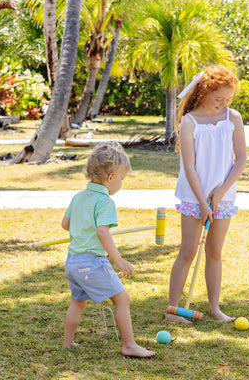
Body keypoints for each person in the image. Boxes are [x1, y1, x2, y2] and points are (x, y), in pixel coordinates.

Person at [166, 65, 247, 324]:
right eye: (218, 98)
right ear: (204, 92)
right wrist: (202, 202)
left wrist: (221, 192)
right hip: (193, 197)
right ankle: (172, 310)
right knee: (188, 250)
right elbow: (189, 166)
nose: (223, 104)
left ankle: (214, 308)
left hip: (223, 197)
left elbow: (241, 159)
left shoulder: (232, 118)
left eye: (228, 99)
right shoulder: (189, 122)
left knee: (214, 251)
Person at [61, 142, 155, 358]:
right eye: (122, 179)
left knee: (77, 302)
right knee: (122, 299)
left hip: (73, 263)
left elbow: (65, 225)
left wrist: (82, 228)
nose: (121, 183)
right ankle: (129, 345)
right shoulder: (104, 202)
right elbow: (103, 232)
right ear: (111, 177)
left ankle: (68, 343)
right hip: (92, 263)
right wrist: (119, 260)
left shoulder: (78, 197)